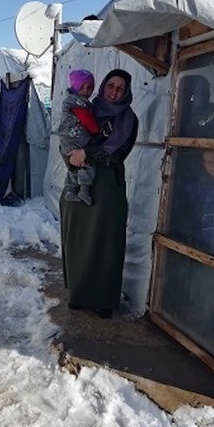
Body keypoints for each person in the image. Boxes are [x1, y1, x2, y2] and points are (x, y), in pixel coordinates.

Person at [60, 69, 139, 318]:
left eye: (120, 88)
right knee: (79, 239)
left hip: (107, 185)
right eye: (110, 86)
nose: (114, 91)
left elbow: (117, 151)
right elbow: (68, 134)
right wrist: (71, 157)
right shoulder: (86, 108)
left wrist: (88, 154)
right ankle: (79, 294)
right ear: (102, 86)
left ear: (126, 92)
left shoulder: (128, 119)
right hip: (78, 179)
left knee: (106, 242)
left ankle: (104, 299)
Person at [58, 69, 99, 204]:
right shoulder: (79, 102)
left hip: (65, 142)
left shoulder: (69, 100)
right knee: (86, 164)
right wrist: (96, 131)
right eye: (82, 87)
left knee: (72, 167)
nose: (86, 90)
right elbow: (86, 120)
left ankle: (70, 190)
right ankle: (84, 191)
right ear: (75, 87)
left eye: (90, 87)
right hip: (76, 140)